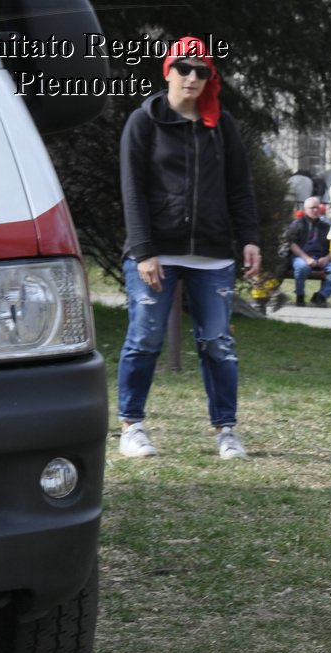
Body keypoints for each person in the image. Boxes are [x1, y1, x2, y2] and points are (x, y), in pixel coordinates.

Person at [116, 36, 259, 461]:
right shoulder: (144, 121)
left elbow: (240, 186)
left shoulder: (222, 125)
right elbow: (132, 190)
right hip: (156, 252)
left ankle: (226, 429)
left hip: (213, 254)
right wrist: (143, 250)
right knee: (145, 337)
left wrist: (250, 237)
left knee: (218, 342)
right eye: (185, 67)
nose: (193, 77)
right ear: (168, 70)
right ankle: (131, 425)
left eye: (202, 71)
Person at [286, 196, 331, 307]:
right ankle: (300, 296)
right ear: (305, 210)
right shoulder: (298, 224)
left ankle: (321, 296)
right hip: (301, 257)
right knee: (302, 267)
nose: (316, 210)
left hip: (320, 259)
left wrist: (327, 258)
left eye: (317, 208)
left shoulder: (326, 226)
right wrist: (306, 258)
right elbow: (291, 243)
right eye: (312, 208)